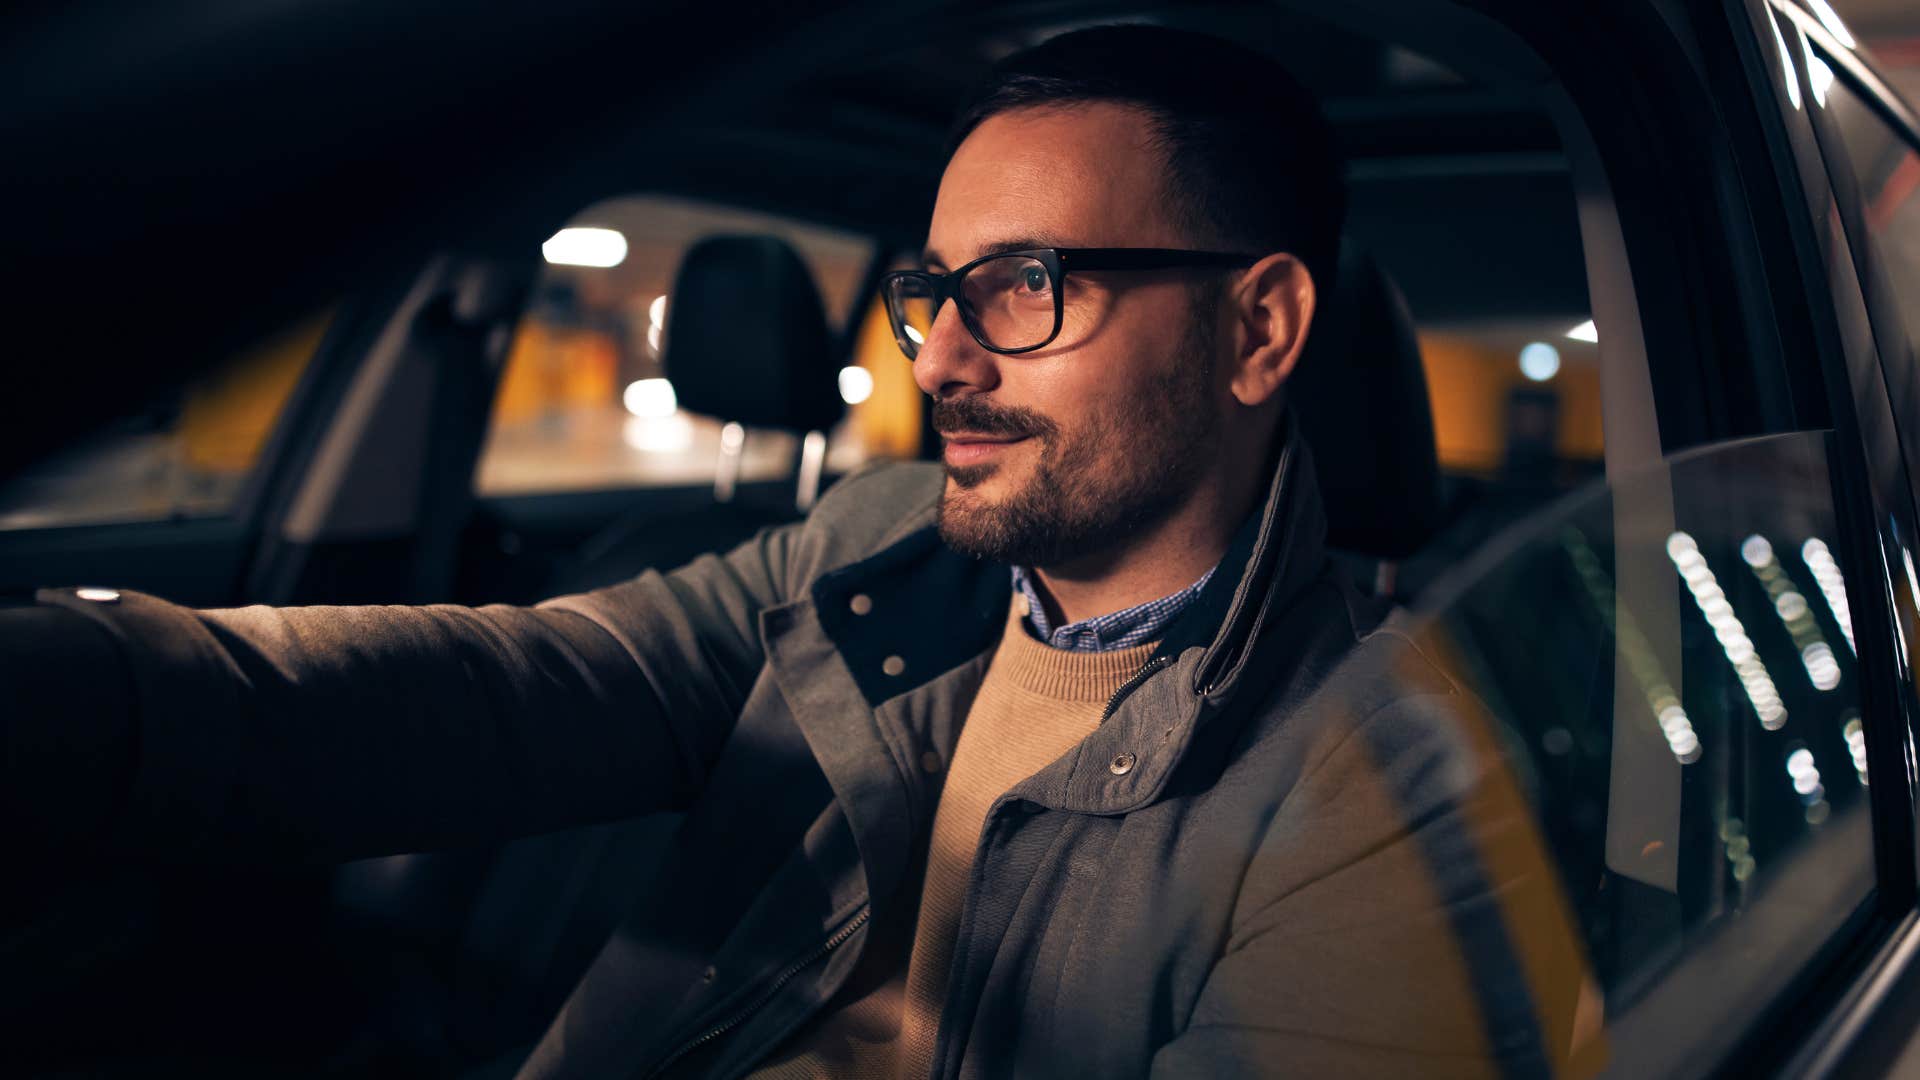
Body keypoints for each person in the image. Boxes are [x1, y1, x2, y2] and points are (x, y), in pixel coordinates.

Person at [0, 24, 1585, 1080]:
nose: (941, 360)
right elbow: (523, 681)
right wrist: (76, 686)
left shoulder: (1380, 794)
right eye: (933, 290)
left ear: (1259, 329)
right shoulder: (881, 556)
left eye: (1023, 285)